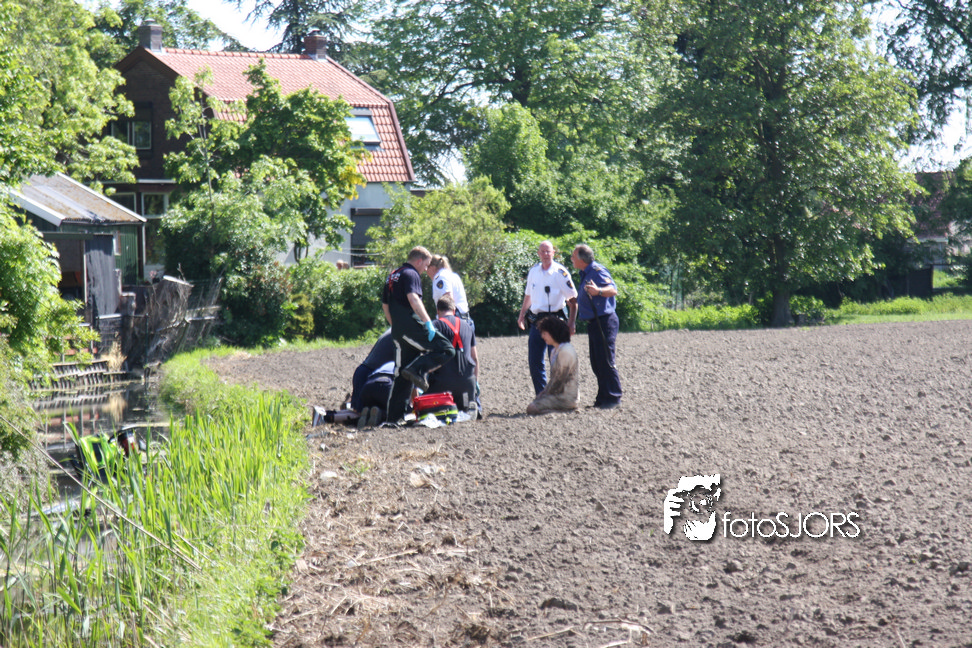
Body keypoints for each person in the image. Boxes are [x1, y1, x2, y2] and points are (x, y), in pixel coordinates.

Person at [382, 246, 455, 422]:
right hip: (411, 325)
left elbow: (385, 306)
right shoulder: (411, 273)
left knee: (402, 374)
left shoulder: (392, 275)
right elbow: (413, 299)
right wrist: (428, 322)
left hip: (398, 330)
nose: (425, 270)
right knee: (447, 349)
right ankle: (417, 369)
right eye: (426, 265)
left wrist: (396, 327)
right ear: (419, 261)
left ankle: (393, 419)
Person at [517, 240, 578, 395]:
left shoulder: (560, 273)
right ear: (538, 253)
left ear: (553, 253)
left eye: (548, 251)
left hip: (555, 321)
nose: (545, 254)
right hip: (537, 321)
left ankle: (559, 395)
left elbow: (573, 300)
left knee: (557, 361)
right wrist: (522, 315)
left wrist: (572, 323)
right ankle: (542, 395)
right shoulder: (533, 272)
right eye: (542, 251)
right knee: (534, 361)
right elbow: (528, 295)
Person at [571, 243, 622, 409]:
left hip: (604, 321)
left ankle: (613, 397)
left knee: (606, 360)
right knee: (597, 362)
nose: (571, 259)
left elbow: (613, 290)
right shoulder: (585, 273)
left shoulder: (597, 271)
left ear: (582, 259)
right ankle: (602, 398)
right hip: (594, 322)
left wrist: (598, 291)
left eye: (573, 256)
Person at [429, 294, 480, 416]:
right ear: (454, 310)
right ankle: (469, 405)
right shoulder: (468, 326)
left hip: (442, 383)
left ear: (438, 311)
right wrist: (474, 384)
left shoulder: (434, 326)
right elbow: (475, 358)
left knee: (428, 406)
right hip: (466, 383)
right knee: (463, 407)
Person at [526, 316, 578, 415]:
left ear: (553, 333)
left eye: (545, 333)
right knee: (534, 404)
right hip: (558, 394)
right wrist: (543, 393)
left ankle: (563, 410)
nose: (542, 336)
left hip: (565, 396)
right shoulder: (555, 351)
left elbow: (560, 380)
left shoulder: (565, 351)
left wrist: (546, 394)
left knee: (532, 408)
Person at [350, 329, 395, 413]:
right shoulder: (404, 334)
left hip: (362, 372)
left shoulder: (394, 330)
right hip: (374, 377)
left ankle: (332, 416)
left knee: (358, 413)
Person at [426, 255, 473, 330]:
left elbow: (448, 299)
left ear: (432, 267)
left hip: (454, 321)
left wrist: (446, 324)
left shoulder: (440, 278)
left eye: (427, 267)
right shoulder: (453, 275)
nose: (426, 271)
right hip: (464, 319)